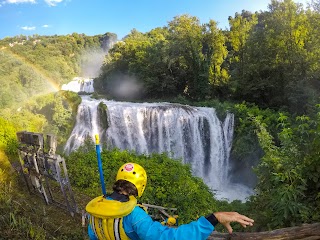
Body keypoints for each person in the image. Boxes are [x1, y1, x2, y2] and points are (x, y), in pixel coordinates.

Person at [86, 162, 254, 240]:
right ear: (141, 186)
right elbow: (172, 237)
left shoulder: (96, 209)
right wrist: (213, 218)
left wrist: (165, 222)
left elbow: (94, 235)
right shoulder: (134, 214)